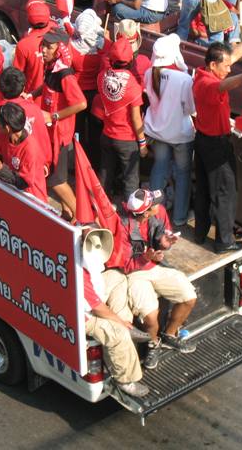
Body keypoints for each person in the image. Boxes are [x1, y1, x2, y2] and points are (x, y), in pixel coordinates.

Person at [192, 38, 242, 253]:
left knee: (205, 189)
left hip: (204, 141)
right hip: (216, 146)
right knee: (226, 192)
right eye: (225, 66)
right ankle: (224, 241)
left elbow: (232, 55)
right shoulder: (208, 84)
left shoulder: (204, 73)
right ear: (213, 65)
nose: (229, 68)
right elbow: (223, 84)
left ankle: (200, 233)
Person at [119, 189, 198, 369]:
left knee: (189, 297)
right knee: (151, 317)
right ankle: (154, 344)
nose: (158, 205)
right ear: (145, 212)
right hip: (135, 274)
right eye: (154, 204)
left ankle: (169, 336)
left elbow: (160, 238)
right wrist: (145, 258)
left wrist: (164, 243)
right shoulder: (122, 226)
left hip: (156, 267)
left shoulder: (156, 215)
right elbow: (124, 265)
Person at [81, 229, 150, 398]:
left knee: (116, 277)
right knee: (117, 334)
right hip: (82, 315)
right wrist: (119, 322)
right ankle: (125, 380)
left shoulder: (84, 253)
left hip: (92, 296)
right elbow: (95, 306)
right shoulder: (78, 273)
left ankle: (126, 325)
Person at [144, 34, 196, 228]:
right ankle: (179, 217)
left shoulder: (150, 73)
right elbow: (190, 109)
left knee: (159, 168)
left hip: (157, 132)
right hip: (180, 135)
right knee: (182, 174)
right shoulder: (183, 79)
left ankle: (154, 215)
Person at [36, 27, 87, 220]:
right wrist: (32, 94)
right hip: (52, 134)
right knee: (60, 178)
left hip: (61, 135)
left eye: (49, 47)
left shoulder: (64, 73)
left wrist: (53, 116)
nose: (44, 50)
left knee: (56, 181)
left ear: (59, 49)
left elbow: (81, 103)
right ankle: (68, 213)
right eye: (43, 46)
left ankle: (83, 218)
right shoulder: (51, 67)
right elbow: (48, 85)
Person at [97, 36, 146, 204]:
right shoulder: (132, 85)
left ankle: (101, 208)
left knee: (105, 175)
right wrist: (143, 143)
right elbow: (136, 118)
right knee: (130, 181)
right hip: (126, 140)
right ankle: (131, 219)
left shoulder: (102, 76)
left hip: (106, 135)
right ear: (131, 59)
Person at [0, 103, 49, 202]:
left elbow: (22, 183)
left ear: (7, 128)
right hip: (12, 192)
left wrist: (1, 169)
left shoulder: (30, 149)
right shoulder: (4, 136)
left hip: (31, 200)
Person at [0, 66, 52, 172]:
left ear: (0, 88)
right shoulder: (35, 109)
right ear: (23, 88)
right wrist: (45, 164)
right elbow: (43, 141)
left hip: (7, 173)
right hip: (36, 169)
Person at [69, 9, 109, 170]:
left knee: (77, 131)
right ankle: (93, 165)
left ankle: (77, 163)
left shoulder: (71, 45)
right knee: (95, 134)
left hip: (77, 95)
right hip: (96, 96)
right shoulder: (105, 45)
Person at [13, 0, 54, 95]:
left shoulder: (24, 45)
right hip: (55, 93)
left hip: (33, 96)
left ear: (28, 19)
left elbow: (17, 74)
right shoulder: (58, 32)